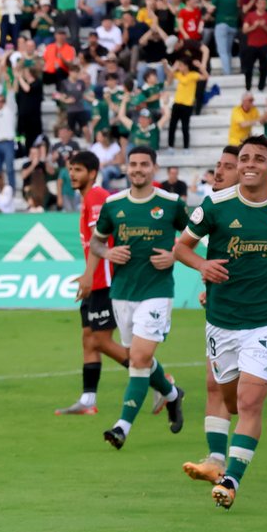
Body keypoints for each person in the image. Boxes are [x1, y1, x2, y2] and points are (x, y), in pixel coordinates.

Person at [174, 136, 267, 508]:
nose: (250, 163)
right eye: (244, 158)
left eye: (259, 158)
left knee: (249, 400)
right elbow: (181, 248)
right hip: (222, 322)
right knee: (235, 398)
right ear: (237, 164)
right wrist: (203, 265)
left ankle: (230, 480)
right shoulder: (216, 205)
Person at [79, 146, 186, 450]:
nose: (138, 169)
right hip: (123, 293)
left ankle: (121, 426)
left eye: (144, 164)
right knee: (141, 359)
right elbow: (97, 243)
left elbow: (193, 235)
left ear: (155, 168)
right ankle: (173, 394)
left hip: (157, 291)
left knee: (138, 359)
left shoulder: (170, 204)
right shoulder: (114, 205)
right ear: (126, 168)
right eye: (133, 164)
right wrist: (108, 252)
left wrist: (174, 255)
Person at [60, 151, 132, 415]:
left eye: (78, 169)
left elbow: (98, 242)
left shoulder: (96, 197)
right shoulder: (88, 199)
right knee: (88, 339)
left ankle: (159, 380)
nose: (72, 174)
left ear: (92, 173)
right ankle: (88, 401)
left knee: (101, 339)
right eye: (70, 169)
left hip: (107, 280)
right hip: (97, 278)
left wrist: (89, 277)